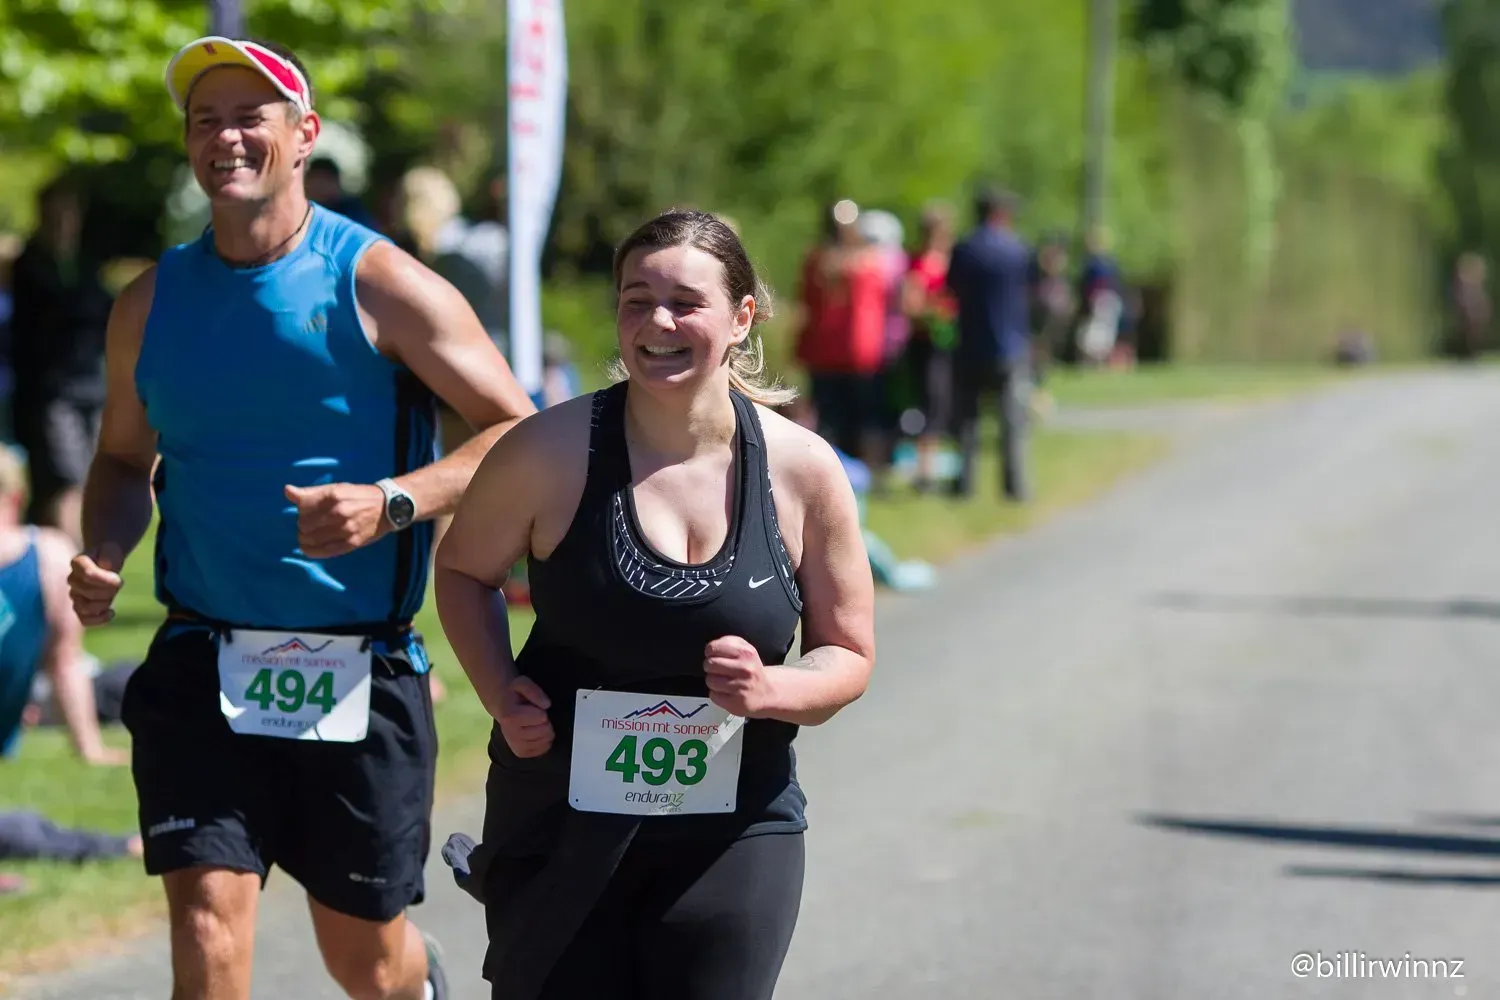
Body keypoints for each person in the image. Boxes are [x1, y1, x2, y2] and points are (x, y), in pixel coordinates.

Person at [67, 35, 536, 1000]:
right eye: (206, 121)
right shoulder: (149, 304)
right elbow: (121, 458)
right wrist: (107, 547)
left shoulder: (379, 282)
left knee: (363, 958)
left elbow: (516, 433)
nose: (225, 138)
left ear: (304, 133)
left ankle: (421, 978)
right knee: (206, 921)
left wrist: (391, 501)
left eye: (250, 117)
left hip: (356, 662)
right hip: (203, 657)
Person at [434, 209, 876, 1000]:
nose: (657, 322)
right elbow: (464, 572)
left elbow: (848, 653)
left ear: (742, 317)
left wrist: (777, 690)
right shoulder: (548, 451)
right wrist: (501, 691)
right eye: (636, 300)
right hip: (562, 813)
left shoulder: (802, 471)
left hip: (734, 827)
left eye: (684, 301)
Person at [0, 444, 121, 764]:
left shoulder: (46, 554)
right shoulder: (49, 555)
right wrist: (89, 748)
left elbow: (66, 662)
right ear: (17, 498)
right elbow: (65, 661)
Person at [9, 178, 113, 545]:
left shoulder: (86, 267)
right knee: (63, 481)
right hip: (48, 394)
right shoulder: (28, 267)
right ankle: (67, 575)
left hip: (90, 388)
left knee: (82, 481)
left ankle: (49, 579)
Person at [946, 186, 1034, 502]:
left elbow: (951, 288)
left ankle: (965, 485)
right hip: (1010, 346)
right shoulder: (1017, 249)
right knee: (1012, 422)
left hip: (970, 344)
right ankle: (1015, 487)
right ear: (1002, 213)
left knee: (967, 422)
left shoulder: (965, 249)